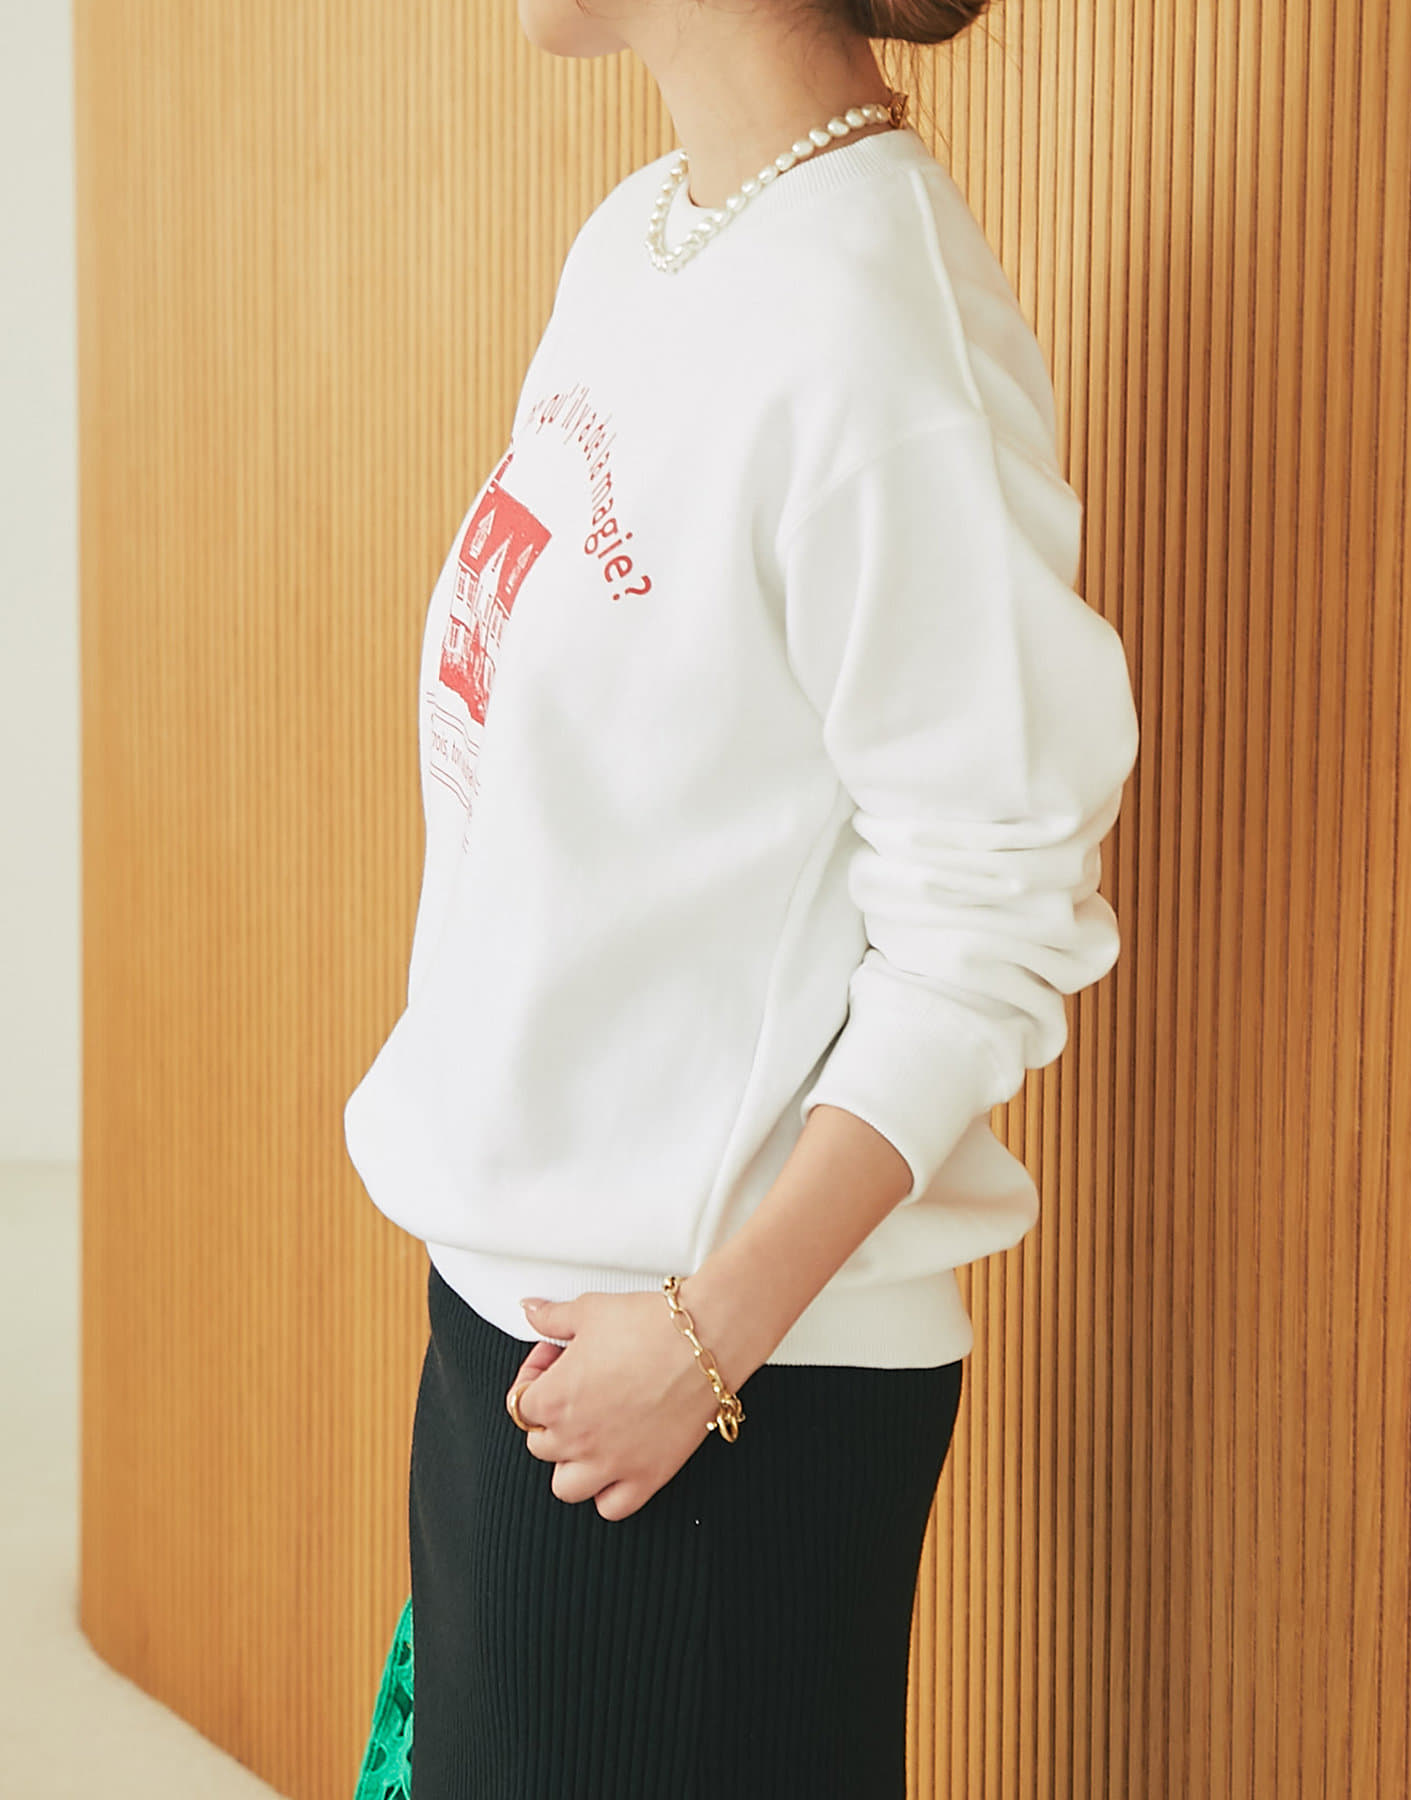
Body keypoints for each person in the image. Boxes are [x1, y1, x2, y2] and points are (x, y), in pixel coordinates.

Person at [342, 0, 1140, 1788]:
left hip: (713, 1407)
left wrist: (705, 1345)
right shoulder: (646, 239)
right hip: (534, 1339)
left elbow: (992, 914)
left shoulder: (878, 340)